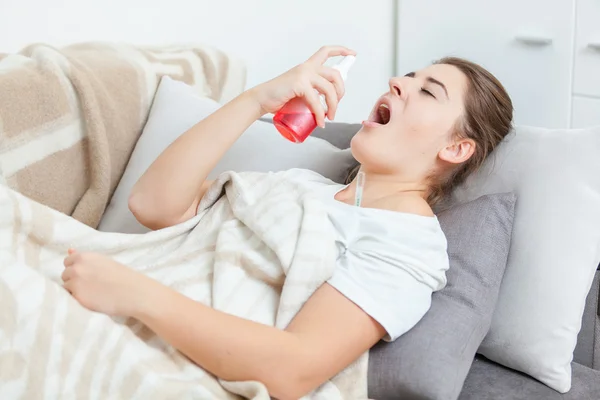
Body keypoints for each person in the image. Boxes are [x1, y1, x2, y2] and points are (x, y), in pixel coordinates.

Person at [60, 46, 513, 399]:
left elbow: (294, 369)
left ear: (455, 148)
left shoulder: (407, 241)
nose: (397, 82)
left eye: (429, 91)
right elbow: (154, 204)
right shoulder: (299, 185)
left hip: (151, 353)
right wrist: (256, 99)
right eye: (408, 77)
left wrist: (136, 296)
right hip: (111, 300)